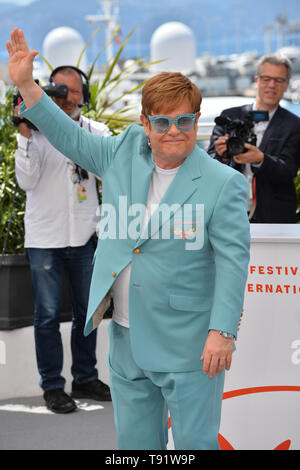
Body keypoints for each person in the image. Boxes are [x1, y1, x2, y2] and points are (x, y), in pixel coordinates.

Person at [8, 28, 250, 449]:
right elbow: (69, 137)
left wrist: (222, 332)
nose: (174, 130)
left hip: (190, 345)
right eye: (162, 121)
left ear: (196, 120)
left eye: (184, 120)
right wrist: (27, 86)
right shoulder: (122, 151)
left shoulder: (223, 183)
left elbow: (233, 262)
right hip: (126, 340)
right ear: (144, 122)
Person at [14, 64, 111, 414]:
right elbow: (26, 181)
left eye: (73, 91)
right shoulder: (36, 134)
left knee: (88, 313)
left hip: (84, 235)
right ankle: (53, 386)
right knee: (48, 315)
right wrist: (25, 134)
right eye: (59, 91)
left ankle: (85, 377)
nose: (67, 99)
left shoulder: (97, 131)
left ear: (84, 93)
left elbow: (107, 171)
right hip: (45, 239)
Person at [207, 53, 300, 224]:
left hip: (274, 216)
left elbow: (289, 170)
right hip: (230, 212)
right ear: (257, 80)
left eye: (278, 80)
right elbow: (209, 165)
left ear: (286, 85)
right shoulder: (229, 117)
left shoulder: (294, 125)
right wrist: (223, 156)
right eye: (266, 79)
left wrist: (261, 160)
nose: (271, 85)